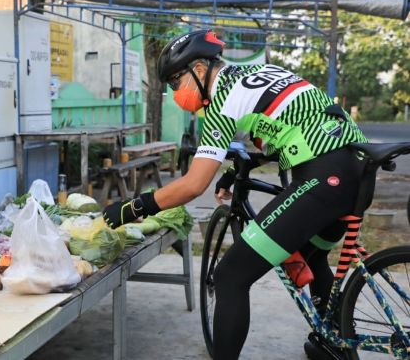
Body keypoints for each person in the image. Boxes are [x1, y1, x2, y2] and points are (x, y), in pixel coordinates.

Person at [103, 29, 369, 359]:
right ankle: (335, 344)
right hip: (353, 167)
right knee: (312, 255)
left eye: (175, 83)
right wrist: (235, 170)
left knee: (230, 276)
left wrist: (133, 207)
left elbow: (192, 184)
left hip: (325, 176)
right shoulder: (259, 73)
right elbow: (289, 123)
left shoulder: (223, 99)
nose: (176, 94)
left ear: (199, 70)